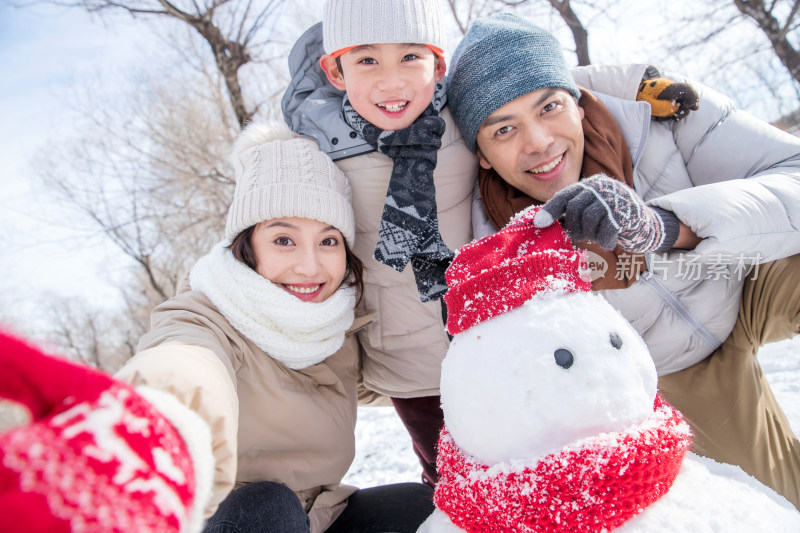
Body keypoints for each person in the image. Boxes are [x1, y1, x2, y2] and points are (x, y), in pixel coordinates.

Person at [445, 12, 800, 509]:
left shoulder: (660, 119)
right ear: (480, 154)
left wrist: (665, 226)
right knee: (777, 500)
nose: (539, 142)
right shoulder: (490, 241)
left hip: (744, 282)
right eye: (503, 130)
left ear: (580, 104)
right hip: (672, 369)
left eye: (549, 107)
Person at [114, 122, 434, 532]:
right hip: (227, 519)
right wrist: (167, 397)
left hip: (320, 514)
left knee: (419, 507)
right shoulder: (206, 314)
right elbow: (184, 358)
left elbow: (392, 378)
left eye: (328, 241)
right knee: (265, 505)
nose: (310, 266)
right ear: (246, 246)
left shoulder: (334, 325)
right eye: (284, 240)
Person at [282, 0, 478, 487]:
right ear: (336, 70)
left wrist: (640, 82)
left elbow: (554, 85)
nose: (392, 82)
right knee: (454, 482)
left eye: (411, 57)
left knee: (535, 464)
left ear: (439, 64)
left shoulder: (464, 116)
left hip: (492, 336)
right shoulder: (314, 148)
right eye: (367, 60)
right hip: (409, 363)